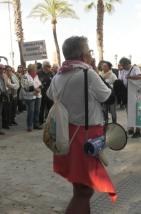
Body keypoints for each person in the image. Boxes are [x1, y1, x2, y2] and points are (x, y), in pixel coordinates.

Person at [47, 36, 116, 214]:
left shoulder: (58, 75)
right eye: (89, 52)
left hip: (65, 134)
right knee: (84, 191)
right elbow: (109, 97)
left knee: (80, 186)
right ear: (83, 55)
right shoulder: (87, 74)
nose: (91, 56)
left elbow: (50, 95)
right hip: (85, 136)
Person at [117, 57, 141, 138]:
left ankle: (138, 131)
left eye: (123, 65)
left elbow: (140, 76)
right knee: (129, 112)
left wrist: (130, 78)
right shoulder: (122, 71)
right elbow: (120, 80)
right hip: (127, 93)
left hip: (135, 93)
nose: (122, 67)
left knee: (136, 112)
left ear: (127, 64)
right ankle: (131, 128)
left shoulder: (135, 68)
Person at [21, 64, 42, 132]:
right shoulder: (25, 76)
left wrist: (38, 89)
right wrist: (35, 90)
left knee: (37, 111)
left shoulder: (36, 76)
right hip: (30, 97)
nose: (36, 70)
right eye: (35, 69)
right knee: (31, 111)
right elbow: (25, 87)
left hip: (38, 95)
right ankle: (29, 126)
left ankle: (36, 124)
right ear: (31, 70)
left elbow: (40, 84)